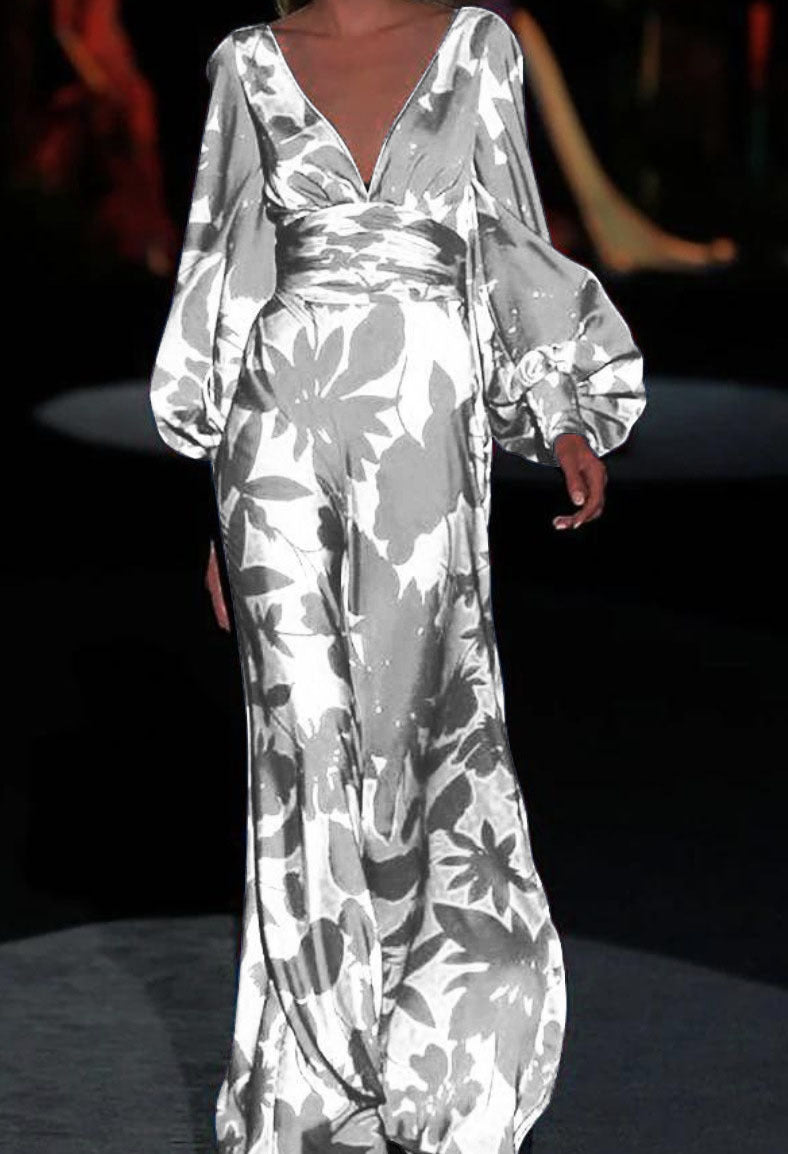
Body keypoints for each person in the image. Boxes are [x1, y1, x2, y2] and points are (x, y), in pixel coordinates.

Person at [148, 3, 647, 1153]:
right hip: (276, 437)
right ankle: (312, 1081)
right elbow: (227, 266)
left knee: (423, 733)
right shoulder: (247, 63)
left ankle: (436, 1053)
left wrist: (561, 408)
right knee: (300, 751)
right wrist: (217, 503)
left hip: (425, 423)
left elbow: (505, 235)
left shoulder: (475, 45)